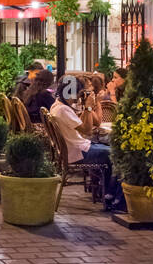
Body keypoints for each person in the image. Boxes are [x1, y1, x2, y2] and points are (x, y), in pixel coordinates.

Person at [48, 76, 123, 210]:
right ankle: (114, 197)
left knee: (111, 150)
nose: (78, 96)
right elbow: (87, 130)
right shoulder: (63, 110)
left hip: (76, 147)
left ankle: (108, 194)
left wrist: (88, 108)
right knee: (116, 154)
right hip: (77, 152)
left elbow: (85, 124)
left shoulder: (57, 106)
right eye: (78, 93)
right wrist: (88, 107)